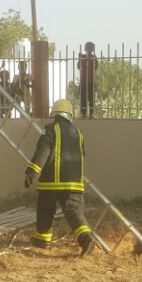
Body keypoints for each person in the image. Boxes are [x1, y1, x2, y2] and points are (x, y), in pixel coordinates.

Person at [24, 99, 94, 255]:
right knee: (74, 212)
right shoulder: (79, 134)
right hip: (75, 184)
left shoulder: (50, 130)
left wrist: (31, 172)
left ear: (54, 114)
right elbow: (82, 156)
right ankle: (86, 238)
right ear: (69, 115)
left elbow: (42, 151)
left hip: (52, 183)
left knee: (45, 210)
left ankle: (42, 240)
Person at [77, 42, 98, 118]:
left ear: (92, 50)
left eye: (90, 48)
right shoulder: (82, 57)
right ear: (85, 49)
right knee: (83, 98)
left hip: (90, 81)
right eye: (88, 48)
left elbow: (95, 67)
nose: (89, 50)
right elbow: (78, 67)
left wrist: (91, 59)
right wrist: (80, 59)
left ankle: (91, 113)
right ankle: (83, 113)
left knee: (91, 98)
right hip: (83, 81)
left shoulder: (94, 57)